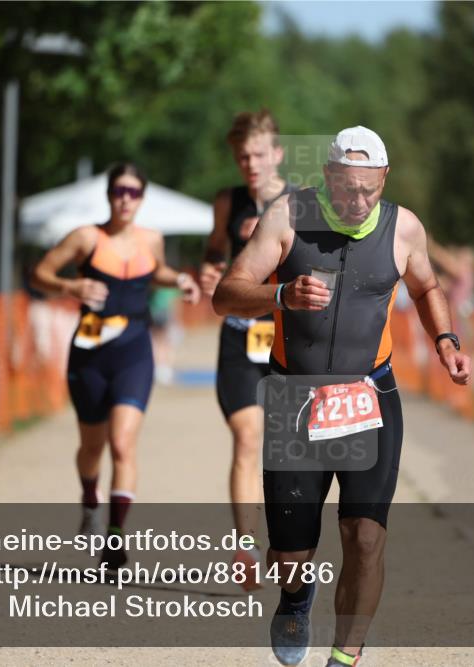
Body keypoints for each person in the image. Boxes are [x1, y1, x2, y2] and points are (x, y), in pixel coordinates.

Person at [213, 126, 471, 666]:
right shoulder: (287, 217)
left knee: (365, 537)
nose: (358, 201)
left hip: (369, 399)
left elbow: (425, 285)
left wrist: (445, 340)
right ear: (328, 176)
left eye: (369, 190)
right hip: (295, 402)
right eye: (347, 188)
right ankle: (296, 595)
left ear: (384, 179)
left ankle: (345, 655)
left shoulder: (404, 229)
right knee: (290, 556)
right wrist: (281, 294)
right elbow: (225, 295)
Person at [32, 162, 200, 570]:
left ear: (142, 198)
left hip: (133, 351)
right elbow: (39, 274)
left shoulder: (152, 239)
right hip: (90, 351)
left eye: (134, 193)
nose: (126, 200)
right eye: (119, 192)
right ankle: (90, 497)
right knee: (92, 446)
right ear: (109, 195)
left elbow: (153, 272)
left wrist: (180, 280)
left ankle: (115, 537)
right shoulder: (86, 237)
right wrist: (70, 285)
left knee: (123, 443)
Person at [198, 109, 295, 591]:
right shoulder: (228, 201)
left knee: (285, 448)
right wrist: (209, 271)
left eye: (257, 154)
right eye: (241, 157)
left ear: (276, 154)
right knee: (248, 438)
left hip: (285, 336)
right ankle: (246, 546)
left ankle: (284, 540)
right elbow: (215, 249)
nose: (250, 164)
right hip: (238, 335)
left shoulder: (298, 204)